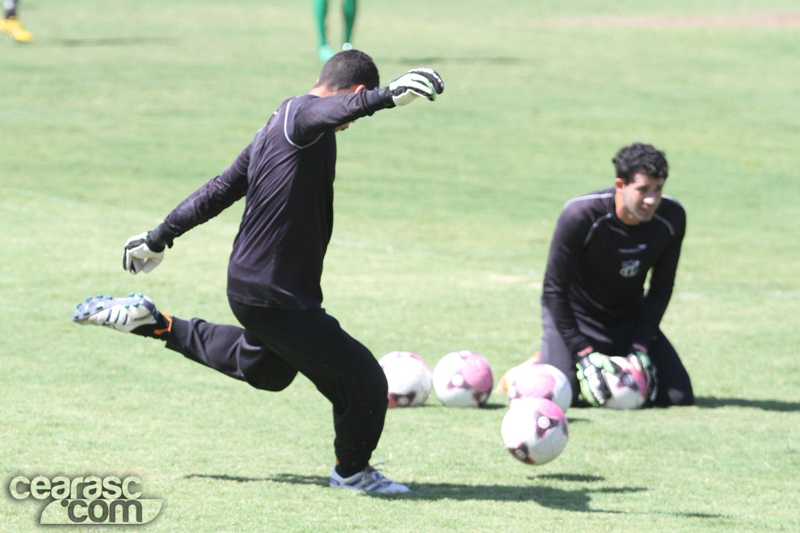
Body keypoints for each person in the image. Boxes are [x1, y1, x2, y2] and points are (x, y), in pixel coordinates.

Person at [72, 50, 444, 494]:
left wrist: (159, 237)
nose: (346, 124)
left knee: (267, 369)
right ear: (356, 92)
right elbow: (328, 110)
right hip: (276, 294)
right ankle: (352, 473)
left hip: (254, 285)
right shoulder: (303, 116)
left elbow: (219, 189)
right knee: (364, 382)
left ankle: (154, 323)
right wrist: (390, 96)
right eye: (354, 107)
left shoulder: (277, 126)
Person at [533, 142, 693, 408]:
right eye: (643, 189)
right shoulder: (580, 215)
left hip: (628, 319)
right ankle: (539, 363)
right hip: (576, 318)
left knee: (678, 397)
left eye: (658, 189)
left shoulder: (671, 218)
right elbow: (553, 291)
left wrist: (641, 344)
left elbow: (661, 288)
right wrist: (581, 350)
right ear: (620, 185)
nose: (652, 200)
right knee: (563, 394)